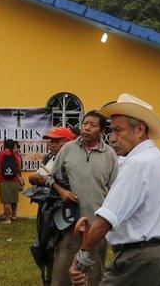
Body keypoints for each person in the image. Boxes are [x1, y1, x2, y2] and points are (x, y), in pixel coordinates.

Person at [69, 94, 160, 286]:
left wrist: (82, 257)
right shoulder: (158, 160)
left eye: (118, 131)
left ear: (140, 130)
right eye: (111, 131)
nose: (112, 138)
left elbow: (106, 220)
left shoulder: (137, 164)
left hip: (139, 258)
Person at [38, 111, 117, 286]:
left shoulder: (110, 155)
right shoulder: (68, 148)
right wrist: (61, 191)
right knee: (62, 275)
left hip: (97, 226)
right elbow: (50, 177)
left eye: (93, 125)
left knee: (94, 276)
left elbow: (114, 190)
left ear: (102, 131)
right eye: (85, 123)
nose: (87, 127)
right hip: (69, 223)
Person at [0, 139, 23, 224]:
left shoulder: (0, 153)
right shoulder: (16, 155)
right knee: (14, 199)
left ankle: (7, 219)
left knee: (6, 201)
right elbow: (19, 168)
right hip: (14, 179)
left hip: (3, 180)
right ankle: (14, 215)